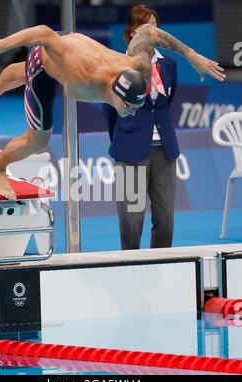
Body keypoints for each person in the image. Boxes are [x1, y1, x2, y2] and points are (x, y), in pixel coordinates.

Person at [0, 23, 225, 200]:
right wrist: (4, 44)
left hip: (68, 48)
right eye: (127, 106)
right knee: (39, 140)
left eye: (136, 106)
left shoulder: (137, 66)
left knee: (41, 70)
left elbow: (149, 32)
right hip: (45, 60)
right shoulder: (83, 77)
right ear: (114, 93)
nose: (131, 112)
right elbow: (44, 34)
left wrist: (191, 54)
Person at [103, 4, 179, 249]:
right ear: (132, 32)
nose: (153, 34)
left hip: (165, 151)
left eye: (156, 28)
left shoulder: (169, 66)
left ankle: (163, 263)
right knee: (130, 222)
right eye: (147, 28)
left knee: (165, 219)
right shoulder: (117, 65)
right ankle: (131, 266)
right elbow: (110, 110)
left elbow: (165, 105)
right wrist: (127, 136)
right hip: (130, 150)